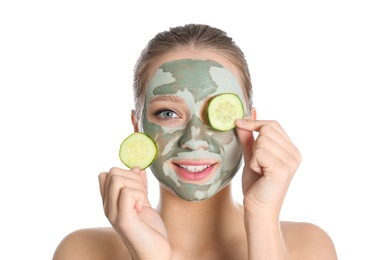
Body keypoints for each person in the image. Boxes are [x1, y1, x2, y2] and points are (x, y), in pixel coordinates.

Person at [53, 23, 337, 260]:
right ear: (137, 125)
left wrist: (262, 218)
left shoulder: (308, 247)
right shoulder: (81, 251)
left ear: (250, 124)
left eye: (219, 114)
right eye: (168, 113)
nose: (194, 139)